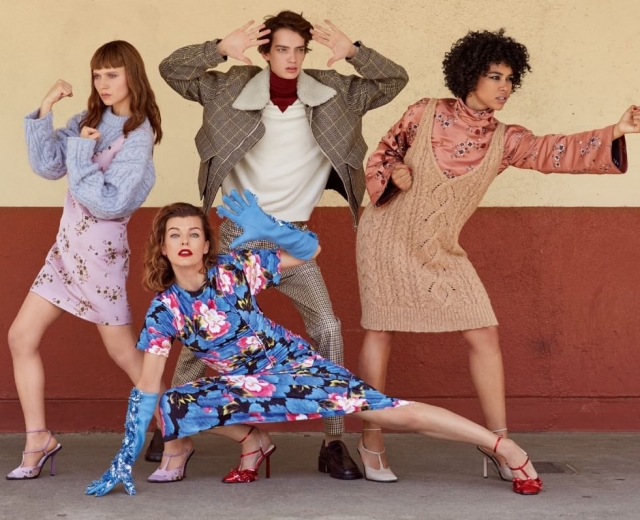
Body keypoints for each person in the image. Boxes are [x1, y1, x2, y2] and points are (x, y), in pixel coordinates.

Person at [85, 194, 542, 497]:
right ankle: (253, 442)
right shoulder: (164, 309)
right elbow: (149, 386)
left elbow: (310, 253)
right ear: (163, 248)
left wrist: (271, 227)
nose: (185, 242)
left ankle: (502, 447)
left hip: (294, 367)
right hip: (244, 383)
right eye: (175, 235)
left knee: (387, 412)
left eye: (193, 234)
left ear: (207, 244)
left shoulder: (234, 269)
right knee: (170, 403)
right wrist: (125, 457)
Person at [355, 28, 637, 483]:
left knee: (483, 330)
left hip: (442, 247)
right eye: (495, 76)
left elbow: (554, 151)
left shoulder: (507, 139)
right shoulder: (424, 112)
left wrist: (616, 132)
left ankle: (499, 444)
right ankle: (371, 439)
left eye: (510, 79)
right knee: (381, 328)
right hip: (385, 236)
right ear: (469, 75)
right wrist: (395, 172)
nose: (505, 87)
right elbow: (382, 154)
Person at [151, 10, 408, 479]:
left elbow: (394, 80)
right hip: (236, 235)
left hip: (291, 239)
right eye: (282, 49)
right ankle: (172, 428)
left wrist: (353, 52)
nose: (292, 59)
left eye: (299, 50)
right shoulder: (230, 87)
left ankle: (333, 441)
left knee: (328, 327)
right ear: (265, 52)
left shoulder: (334, 93)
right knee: (202, 330)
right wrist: (218, 48)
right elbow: (172, 70)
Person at [6, 40, 162, 480]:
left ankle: (177, 433)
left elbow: (109, 202)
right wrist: (45, 109)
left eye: (112, 74)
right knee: (20, 336)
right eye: (97, 74)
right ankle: (38, 438)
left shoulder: (139, 136)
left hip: (100, 256)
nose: (103, 83)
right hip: (65, 249)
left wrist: (80, 151)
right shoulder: (88, 119)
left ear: (132, 75)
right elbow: (49, 166)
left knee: (126, 355)